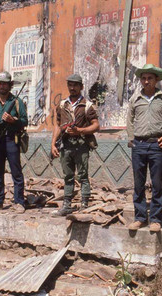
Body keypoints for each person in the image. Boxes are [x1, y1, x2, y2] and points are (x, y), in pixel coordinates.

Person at [126, 64, 162, 232]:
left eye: (150, 78)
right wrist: (131, 139)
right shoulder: (135, 99)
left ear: (156, 80)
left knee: (156, 183)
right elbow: (130, 119)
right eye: (144, 78)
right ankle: (140, 217)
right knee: (139, 184)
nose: (146, 81)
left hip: (156, 145)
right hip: (139, 146)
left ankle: (155, 218)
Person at [51, 73, 100, 216]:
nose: (72, 88)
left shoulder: (87, 106)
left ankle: (84, 203)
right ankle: (67, 204)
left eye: (75, 85)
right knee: (68, 175)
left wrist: (80, 131)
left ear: (81, 87)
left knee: (83, 175)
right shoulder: (62, 104)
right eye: (70, 85)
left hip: (81, 144)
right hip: (66, 145)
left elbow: (96, 126)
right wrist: (53, 144)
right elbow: (58, 126)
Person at [0, 71, 28, 213]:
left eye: (5, 83)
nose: (2, 86)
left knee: (16, 172)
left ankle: (19, 202)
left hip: (11, 139)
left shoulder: (16, 102)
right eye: (0, 83)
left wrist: (13, 120)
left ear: (10, 85)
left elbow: (24, 121)